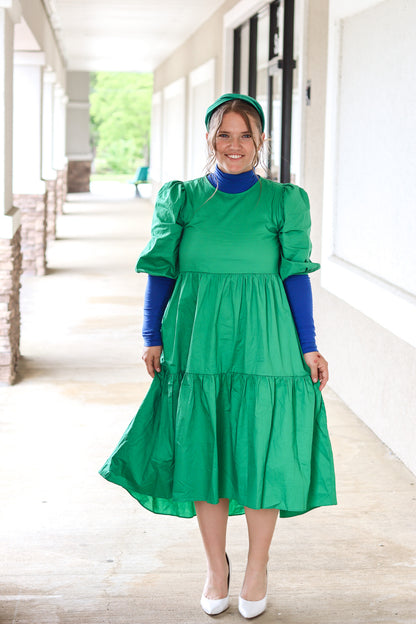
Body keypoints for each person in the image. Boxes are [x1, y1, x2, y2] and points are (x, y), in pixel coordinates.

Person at [99, 93, 337, 619]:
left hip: (266, 336)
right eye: (223, 134)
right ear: (210, 140)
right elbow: (161, 268)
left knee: (261, 449)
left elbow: (295, 275)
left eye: (245, 134)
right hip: (196, 334)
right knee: (202, 447)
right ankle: (215, 567)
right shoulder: (180, 199)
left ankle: (257, 568)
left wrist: (309, 344)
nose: (234, 144)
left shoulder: (284, 201)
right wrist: (150, 334)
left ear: (261, 141)